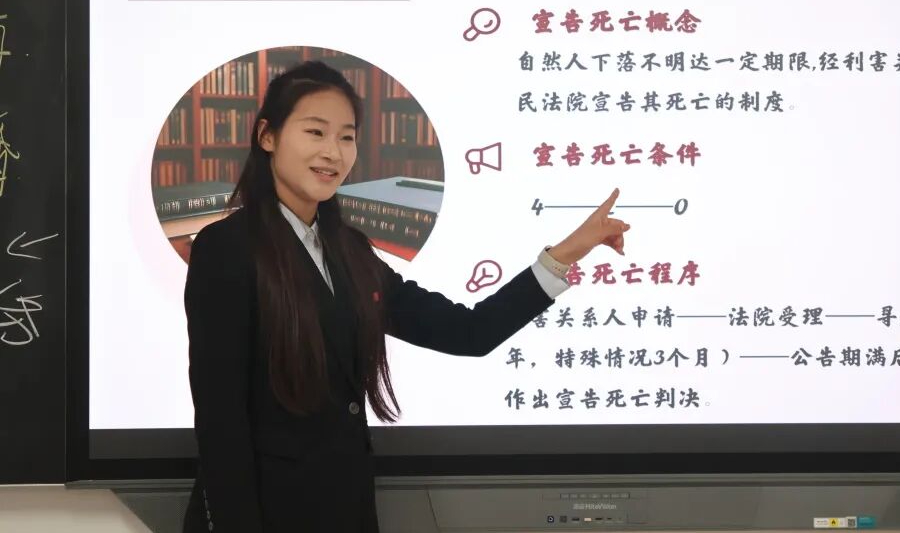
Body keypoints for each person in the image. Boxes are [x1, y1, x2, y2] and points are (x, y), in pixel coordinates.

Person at [181, 60, 630, 533]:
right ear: (267, 136)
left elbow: (468, 332)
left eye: (347, 137)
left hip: (346, 511)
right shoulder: (226, 249)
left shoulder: (350, 251)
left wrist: (566, 252)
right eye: (315, 132)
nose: (333, 152)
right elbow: (220, 421)